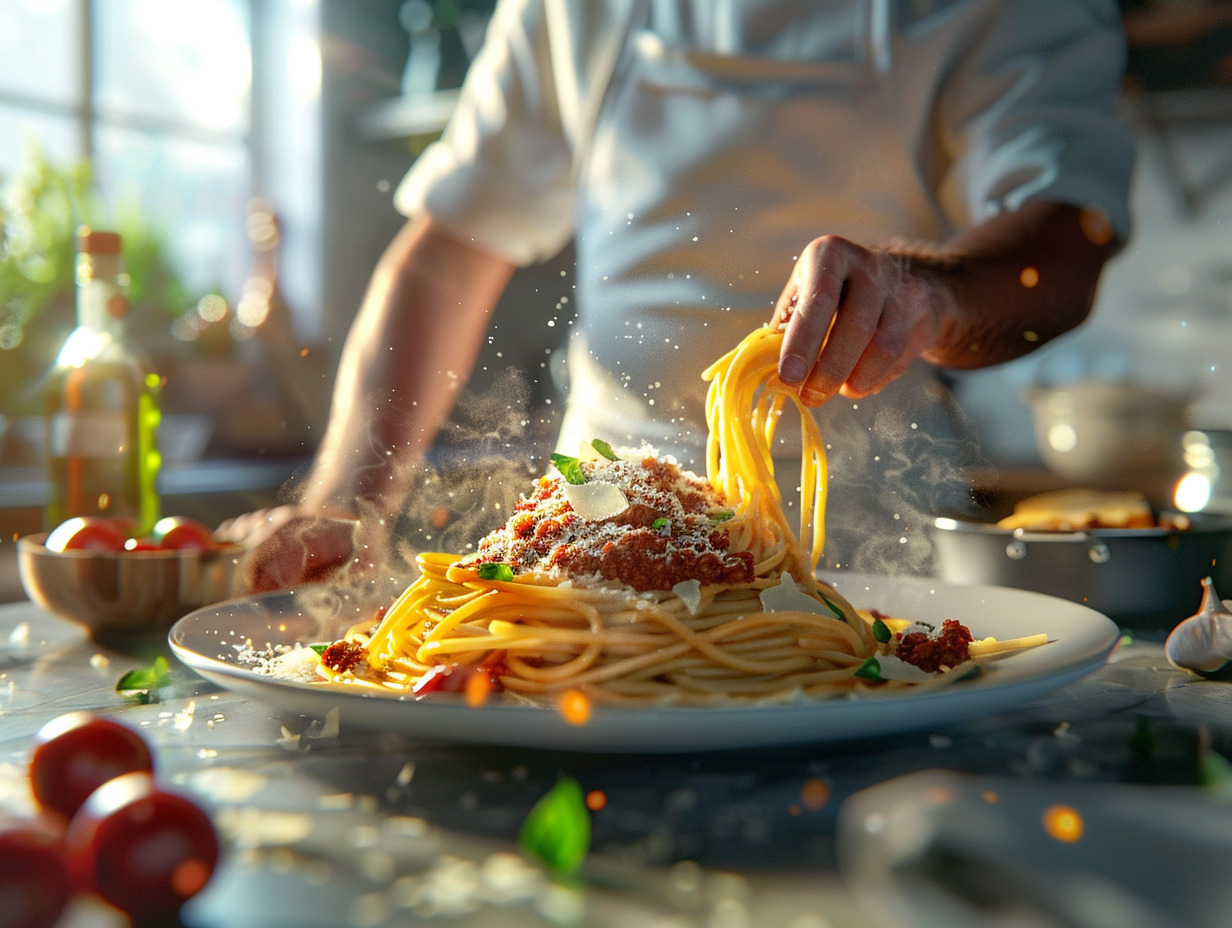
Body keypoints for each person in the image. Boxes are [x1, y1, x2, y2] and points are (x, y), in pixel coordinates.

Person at [221, 0, 1135, 593]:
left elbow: (1063, 239)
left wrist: (923, 295)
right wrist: (345, 504)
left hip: (862, 560)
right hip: (586, 533)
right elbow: (446, 255)